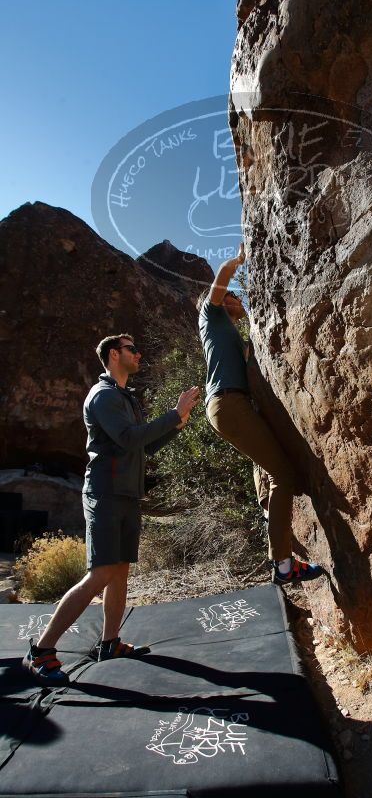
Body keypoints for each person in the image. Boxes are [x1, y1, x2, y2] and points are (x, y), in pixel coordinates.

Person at [22, 333, 199, 686]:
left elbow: (143, 447)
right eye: (133, 349)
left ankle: (110, 643)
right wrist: (172, 413)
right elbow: (129, 438)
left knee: (119, 571)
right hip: (104, 493)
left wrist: (178, 422)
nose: (139, 354)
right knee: (101, 573)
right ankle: (40, 650)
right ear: (115, 354)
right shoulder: (103, 396)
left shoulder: (124, 397)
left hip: (126, 494)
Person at [198, 243, 324, 586]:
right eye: (234, 296)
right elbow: (221, 280)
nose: (238, 299)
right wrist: (238, 261)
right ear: (222, 302)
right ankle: (283, 566)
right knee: (283, 474)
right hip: (227, 403)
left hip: (232, 406)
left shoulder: (229, 334)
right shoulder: (210, 317)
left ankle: (270, 516)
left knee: (272, 473)